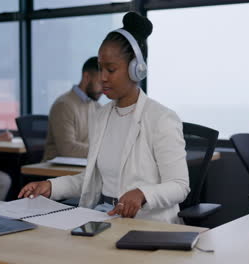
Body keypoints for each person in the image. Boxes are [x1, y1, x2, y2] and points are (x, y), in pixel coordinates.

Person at [19, 12, 190, 224]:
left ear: (136, 69)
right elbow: (90, 180)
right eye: (100, 68)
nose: (103, 77)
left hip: (148, 223)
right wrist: (52, 186)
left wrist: (143, 194)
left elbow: (179, 185)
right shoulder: (101, 115)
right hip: (104, 216)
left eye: (111, 69)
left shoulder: (161, 118)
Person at [42, 57, 102, 161]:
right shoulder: (64, 105)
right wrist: (103, 151)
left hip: (80, 166)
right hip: (54, 170)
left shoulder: (96, 106)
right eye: (101, 83)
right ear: (86, 77)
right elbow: (67, 149)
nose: (104, 90)